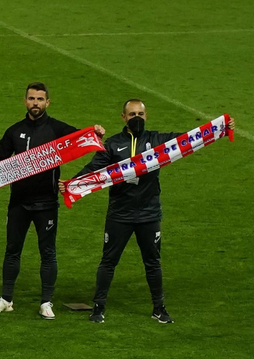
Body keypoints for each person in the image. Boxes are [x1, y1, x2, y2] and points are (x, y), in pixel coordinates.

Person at [79, 101, 227, 324]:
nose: (136, 117)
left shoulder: (158, 140)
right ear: (123, 117)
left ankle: (159, 308)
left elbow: (190, 139)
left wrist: (221, 128)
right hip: (120, 214)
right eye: (131, 114)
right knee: (109, 261)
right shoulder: (113, 144)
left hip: (149, 214)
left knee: (153, 263)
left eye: (139, 113)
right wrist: (72, 184)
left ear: (146, 115)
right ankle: (98, 307)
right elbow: (93, 169)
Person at [0, 83, 92, 320]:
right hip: (18, 202)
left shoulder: (57, 128)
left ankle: (46, 302)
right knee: (12, 250)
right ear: (25, 101)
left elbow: (83, 140)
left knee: (47, 252)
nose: (35, 103)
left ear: (47, 102)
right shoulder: (14, 131)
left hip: (46, 203)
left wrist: (95, 131)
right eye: (31, 98)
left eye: (40, 99)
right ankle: (6, 299)